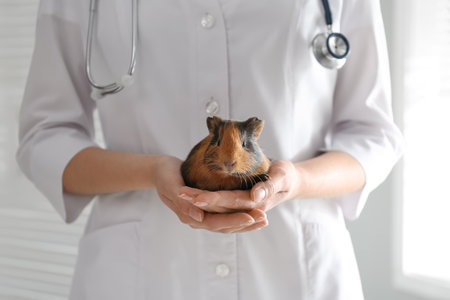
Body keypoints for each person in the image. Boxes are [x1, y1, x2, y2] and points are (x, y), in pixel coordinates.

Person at [17, 0, 403, 299]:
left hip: (297, 274)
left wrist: (298, 179)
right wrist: (152, 171)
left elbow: (372, 136)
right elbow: (46, 136)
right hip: (140, 274)